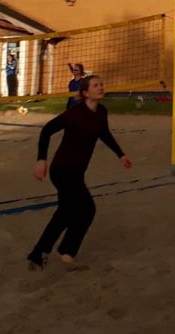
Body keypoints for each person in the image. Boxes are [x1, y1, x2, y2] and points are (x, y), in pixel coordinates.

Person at [27, 74, 131, 270]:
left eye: (102, 84)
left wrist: (120, 154)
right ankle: (66, 252)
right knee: (86, 209)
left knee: (65, 212)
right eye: (95, 85)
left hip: (77, 171)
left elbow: (104, 134)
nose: (101, 87)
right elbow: (46, 131)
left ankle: (38, 255)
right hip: (62, 170)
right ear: (85, 92)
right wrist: (41, 160)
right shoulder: (75, 114)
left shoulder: (101, 112)